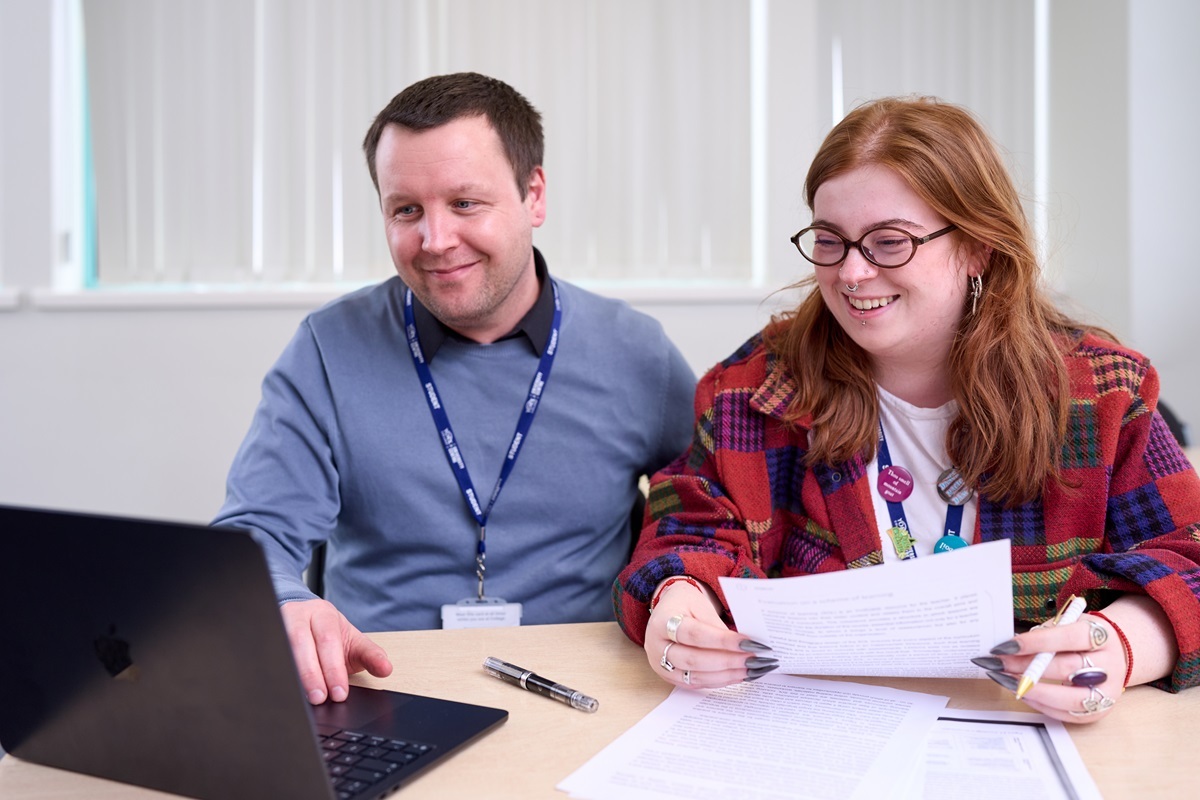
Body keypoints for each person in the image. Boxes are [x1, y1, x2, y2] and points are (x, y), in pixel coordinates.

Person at [614, 96, 1200, 724]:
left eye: (889, 242)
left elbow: (1187, 556)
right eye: (830, 242)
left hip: (1024, 735)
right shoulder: (755, 385)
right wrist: (678, 604)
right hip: (820, 737)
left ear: (977, 246)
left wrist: (1121, 646)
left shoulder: (1104, 390)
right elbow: (686, 532)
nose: (851, 272)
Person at [214, 72, 696, 705]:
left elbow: (713, 511)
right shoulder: (327, 349)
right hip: (382, 691)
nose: (435, 241)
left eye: (465, 203)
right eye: (406, 210)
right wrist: (283, 601)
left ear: (534, 195)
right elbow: (254, 536)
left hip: (588, 691)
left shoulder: (637, 355)